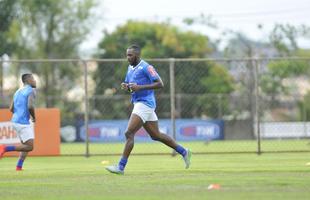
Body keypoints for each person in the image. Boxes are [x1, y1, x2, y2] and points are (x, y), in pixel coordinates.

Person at [106, 45, 192, 175]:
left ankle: (120, 167)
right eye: (127, 55)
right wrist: (127, 86)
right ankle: (184, 151)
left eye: (130, 55)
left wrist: (139, 87)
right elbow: (132, 86)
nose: (128, 57)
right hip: (139, 104)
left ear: (137, 55)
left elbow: (160, 84)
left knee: (129, 133)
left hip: (145, 104)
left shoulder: (147, 67)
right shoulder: (130, 68)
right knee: (156, 135)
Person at [0, 73, 36, 171]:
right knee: (29, 147)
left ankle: (19, 166)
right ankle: (5, 148)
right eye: (33, 79)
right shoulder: (31, 90)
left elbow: (11, 108)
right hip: (23, 122)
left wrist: (19, 113)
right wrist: (34, 117)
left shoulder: (18, 91)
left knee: (24, 145)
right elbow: (30, 106)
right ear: (28, 80)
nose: (35, 81)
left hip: (15, 121)